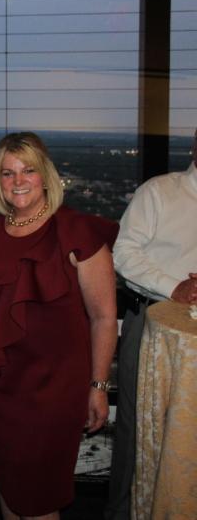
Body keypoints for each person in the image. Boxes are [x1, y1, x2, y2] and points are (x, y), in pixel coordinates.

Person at [0, 132, 118, 519]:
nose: (18, 181)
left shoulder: (77, 231)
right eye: (7, 173)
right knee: (9, 489)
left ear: (46, 176)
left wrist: (98, 387)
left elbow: (104, 317)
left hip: (56, 391)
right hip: (0, 389)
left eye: (28, 170)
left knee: (39, 499)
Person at [105, 128, 197, 520]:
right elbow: (123, 253)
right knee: (139, 430)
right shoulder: (159, 192)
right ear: (195, 146)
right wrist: (174, 287)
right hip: (151, 326)